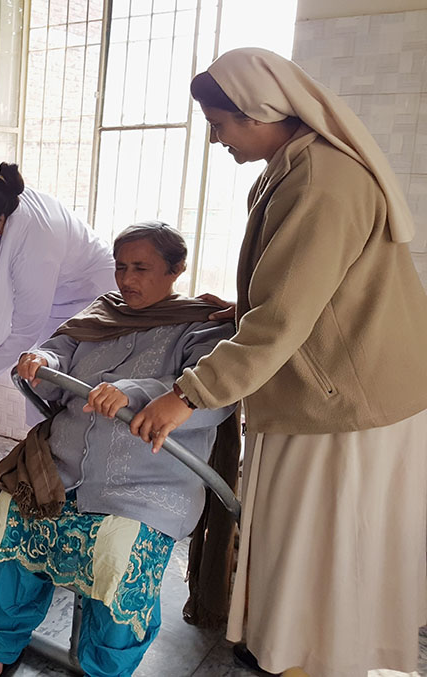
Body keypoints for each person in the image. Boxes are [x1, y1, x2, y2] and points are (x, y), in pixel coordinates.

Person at [131, 48, 427, 677]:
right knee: (302, 547)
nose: (216, 139)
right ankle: (297, 650)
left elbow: (284, 317)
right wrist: (238, 308)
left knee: (324, 552)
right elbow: (298, 290)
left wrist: (187, 394)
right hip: (328, 390)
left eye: (221, 124)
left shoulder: (322, 180)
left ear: (261, 112)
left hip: (348, 405)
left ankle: (316, 659)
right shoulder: (293, 168)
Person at [0, 222, 236, 677]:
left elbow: (214, 397)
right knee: (3, 543)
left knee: (117, 568)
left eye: (142, 268)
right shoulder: (102, 312)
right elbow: (59, 350)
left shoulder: (202, 328)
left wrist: (133, 391)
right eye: (121, 267)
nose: (127, 280)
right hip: (59, 471)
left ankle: (103, 672)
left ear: (176, 269)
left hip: (143, 489)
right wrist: (43, 361)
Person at [0, 162, 115, 423]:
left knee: (66, 383)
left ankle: (58, 448)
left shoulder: (34, 248)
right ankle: (42, 443)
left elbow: (24, 332)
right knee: (39, 375)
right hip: (61, 293)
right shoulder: (4, 201)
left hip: (90, 296)